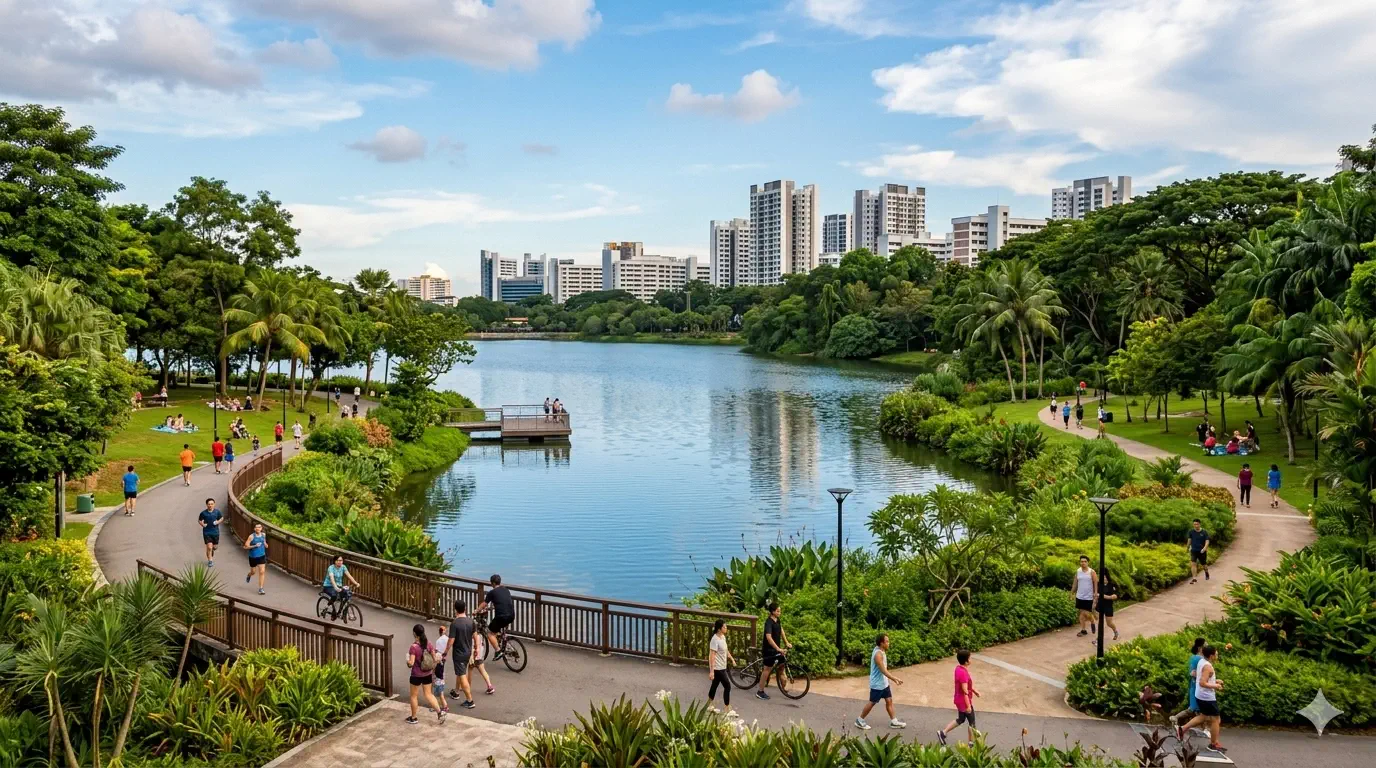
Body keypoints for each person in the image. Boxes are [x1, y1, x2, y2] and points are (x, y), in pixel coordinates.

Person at [1177, 645, 1225, 753]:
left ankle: (1182, 729)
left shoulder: (1201, 662)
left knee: (1203, 716)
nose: (1217, 655)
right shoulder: (1208, 667)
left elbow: (1202, 677)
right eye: (1216, 653)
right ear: (1212, 655)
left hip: (1200, 695)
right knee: (1216, 720)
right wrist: (1215, 686)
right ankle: (1213, 744)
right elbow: (1202, 682)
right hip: (1207, 697)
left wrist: (1215, 681)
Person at [854, 633, 905, 730]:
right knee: (872, 702)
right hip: (877, 684)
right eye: (887, 641)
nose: (888, 643)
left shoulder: (881, 650)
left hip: (884, 683)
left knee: (889, 700)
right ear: (881, 643)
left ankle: (894, 721)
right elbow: (883, 670)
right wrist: (895, 679)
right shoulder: (878, 655)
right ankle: (860, 720)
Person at [937, 649, 979, 746]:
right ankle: (971, 744)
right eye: (970, 658)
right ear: (966, 661)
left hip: (959, 699)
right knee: (972, 723)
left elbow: (965, 686)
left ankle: (943, 733)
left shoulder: (958, 669)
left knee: (961, 719)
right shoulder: (963, 673)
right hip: (964, 701)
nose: (971, 659)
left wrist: (974, 690)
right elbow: (965, 690)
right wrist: (968, 705)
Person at [405, 624, 445, 725]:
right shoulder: (429, 644)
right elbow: (435, 658)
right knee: (428, 694)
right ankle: (440, 713)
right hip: (427, 673)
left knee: (414, 696)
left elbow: (411, 663)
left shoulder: (413, 647)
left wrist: (408, 661)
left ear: (414, 634)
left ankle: (413, 717)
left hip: (416, 675)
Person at [756, 603, 791, 701]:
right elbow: (768, 637)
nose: (779, 613)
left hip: (777, 649)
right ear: (772, 612)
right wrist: (778, 648)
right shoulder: (769, 622)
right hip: (769, 650)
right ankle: (760, 691)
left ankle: (783, 687)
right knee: (767, 669)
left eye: (780, 611)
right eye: (778, 611)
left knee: (782, 665)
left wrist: (786, 642)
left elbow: (781, 630)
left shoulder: (777, 620)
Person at [446, 600, 478, 709]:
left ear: (455, 610)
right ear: (465, 608)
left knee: (462, 675)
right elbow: (476, 636)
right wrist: (476, 648)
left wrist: (445, 651)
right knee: (460, 672)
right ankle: (456, 692)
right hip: (468, 652)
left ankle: (470, 700)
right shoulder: (470, 622)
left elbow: (451, 641)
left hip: (458, 653)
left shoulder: (454, 623)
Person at [1170, 636, 1207, 728]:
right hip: (1197, 687)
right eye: (1205, 645)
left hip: (1196, 686)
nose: (1207, 647)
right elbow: (1192, 673)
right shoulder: (1198, 658)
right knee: (1198, 709)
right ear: (1200, 648)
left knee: (1196, 709)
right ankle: (1205, 729)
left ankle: (1176, 718)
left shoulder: (1195, 658)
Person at [477, 574, 516, 663]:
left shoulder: (492, 592)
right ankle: (502, 640)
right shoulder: (506, 590)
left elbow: (484, 604)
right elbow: (501, 602)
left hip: (501, 617)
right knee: (497, 629)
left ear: (493, 583)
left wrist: (477, 610)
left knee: (490, 633)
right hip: (511, 615)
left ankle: (498, 651)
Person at [707, 619, 738, 718]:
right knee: (727, 686)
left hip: (723, 666)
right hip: (717, 667)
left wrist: (732, 659)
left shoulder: (722, 637)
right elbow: (712, 656)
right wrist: (711, 671)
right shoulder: (714, 639)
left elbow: (726, 650)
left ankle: (709, 704)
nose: (726, 628)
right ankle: (727, 708)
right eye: (724, 627)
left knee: (714, 685)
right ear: (719, 629)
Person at [1073, 555, 1097, 636]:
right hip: (1079, 596)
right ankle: (1083, 630)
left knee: (1086, 613)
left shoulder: (1092, 572)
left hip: (1088, 596)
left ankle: (1093, 621)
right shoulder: (1078, 571)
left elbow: (1095, 583)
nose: (1083, 563)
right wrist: (1071, 593)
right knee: (1081, 613)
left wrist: (1095, 594)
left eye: (1085, 561)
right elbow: (1075, 583)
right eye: (1081, 561)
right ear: (1080, 562)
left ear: (1088, 562)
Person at [1096, 567, 1120, 641]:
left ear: (1107, 577)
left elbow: (1115, 596)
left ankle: (1115, 631)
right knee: (1100, 623)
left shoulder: (1112, 585)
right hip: (1100, 605)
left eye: (1105, 577)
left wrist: (1104, 596)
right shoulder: (1098, 584)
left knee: (1109, 623)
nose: (1104, 579)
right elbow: (1096, 594)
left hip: (1108, 606)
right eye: (1102, 577)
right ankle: (1099, 638)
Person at [244, 522, 268, 595]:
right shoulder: (251, 536)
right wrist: (254, 546)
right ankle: (249, 575)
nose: (258, 528)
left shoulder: (263, 535)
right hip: (253, 557)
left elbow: (265, 544)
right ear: (254, 529)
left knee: (262, 571)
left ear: (261, 528)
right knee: (253, 572)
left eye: (259, 527)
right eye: (256, 527)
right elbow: (246, 546)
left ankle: (261, 588)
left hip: (262, 556)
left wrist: (265, 544)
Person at [431, 624, 450, 714]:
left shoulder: (438, 656)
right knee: (440, 693)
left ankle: (443, 706)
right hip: (441, 678)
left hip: (437, 679)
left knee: (439, 694)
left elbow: (434, 666)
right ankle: (440, 706)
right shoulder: (447, 640)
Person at [198, 498, 221, 567]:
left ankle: (212, 549)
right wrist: (202, 524)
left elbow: (221, 518)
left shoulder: (217, 512)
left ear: (214, 504)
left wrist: (218, 522)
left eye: (212, 504)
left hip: (215, 532)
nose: (210, 505)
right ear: (206, 505)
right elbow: (199, 520)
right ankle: (210, 560)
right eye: (209, 504)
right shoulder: (203, 513)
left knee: (215, 547)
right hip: (207, 532)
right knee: (209, 547)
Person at [1188, 519, 1211, 583]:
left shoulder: (1204, 532)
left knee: (1204, 565)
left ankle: (1206, 572)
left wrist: (1204, 548)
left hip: (1202, 551)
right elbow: (1189, 540)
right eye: (1194, 524)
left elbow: (1207, 541)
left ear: (1199, 524)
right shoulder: (1191, 532)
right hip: (1194, 550)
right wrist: (1188, 547)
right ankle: (1194, 578)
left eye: (1197, 524)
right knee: (1193, 564)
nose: (1195, 525)